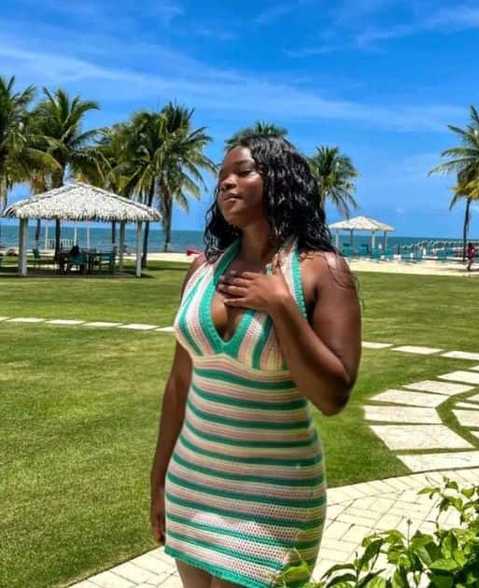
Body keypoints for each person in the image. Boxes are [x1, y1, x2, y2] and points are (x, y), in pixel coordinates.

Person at [149, 135, 362, 588]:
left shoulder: (322, 271)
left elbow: (333, 395)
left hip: (272, 498)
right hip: (193, 483)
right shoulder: (202, 269)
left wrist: (282, 305)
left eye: (243, 172)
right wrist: (159, 479)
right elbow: (179, 383)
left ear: (280, 181)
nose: (226, 183)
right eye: (221, 176)